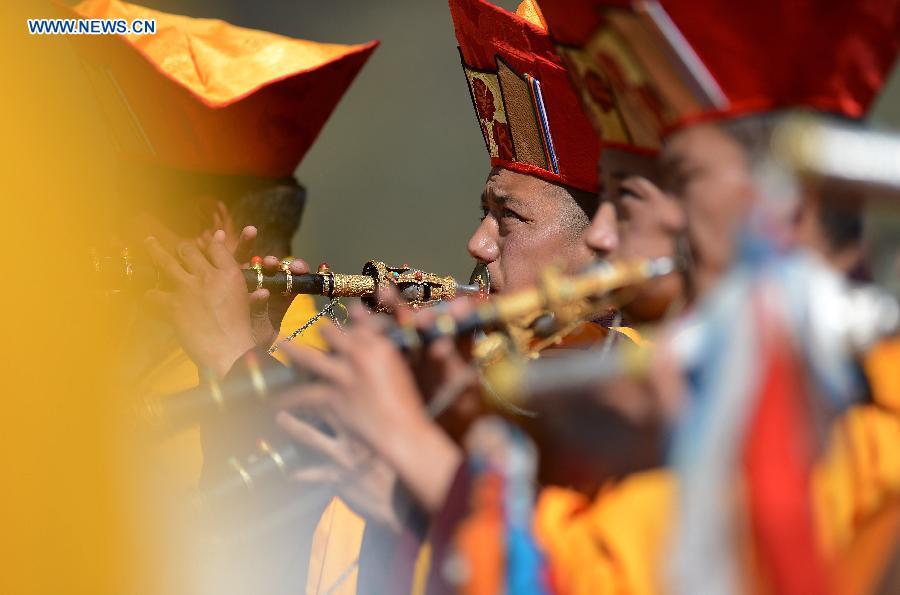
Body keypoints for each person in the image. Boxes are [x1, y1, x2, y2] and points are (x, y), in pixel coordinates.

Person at [66, 1, 379, 593]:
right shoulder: (168, 353)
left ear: (209, 226)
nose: (101, 238)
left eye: (118, 216)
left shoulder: (280, 371)